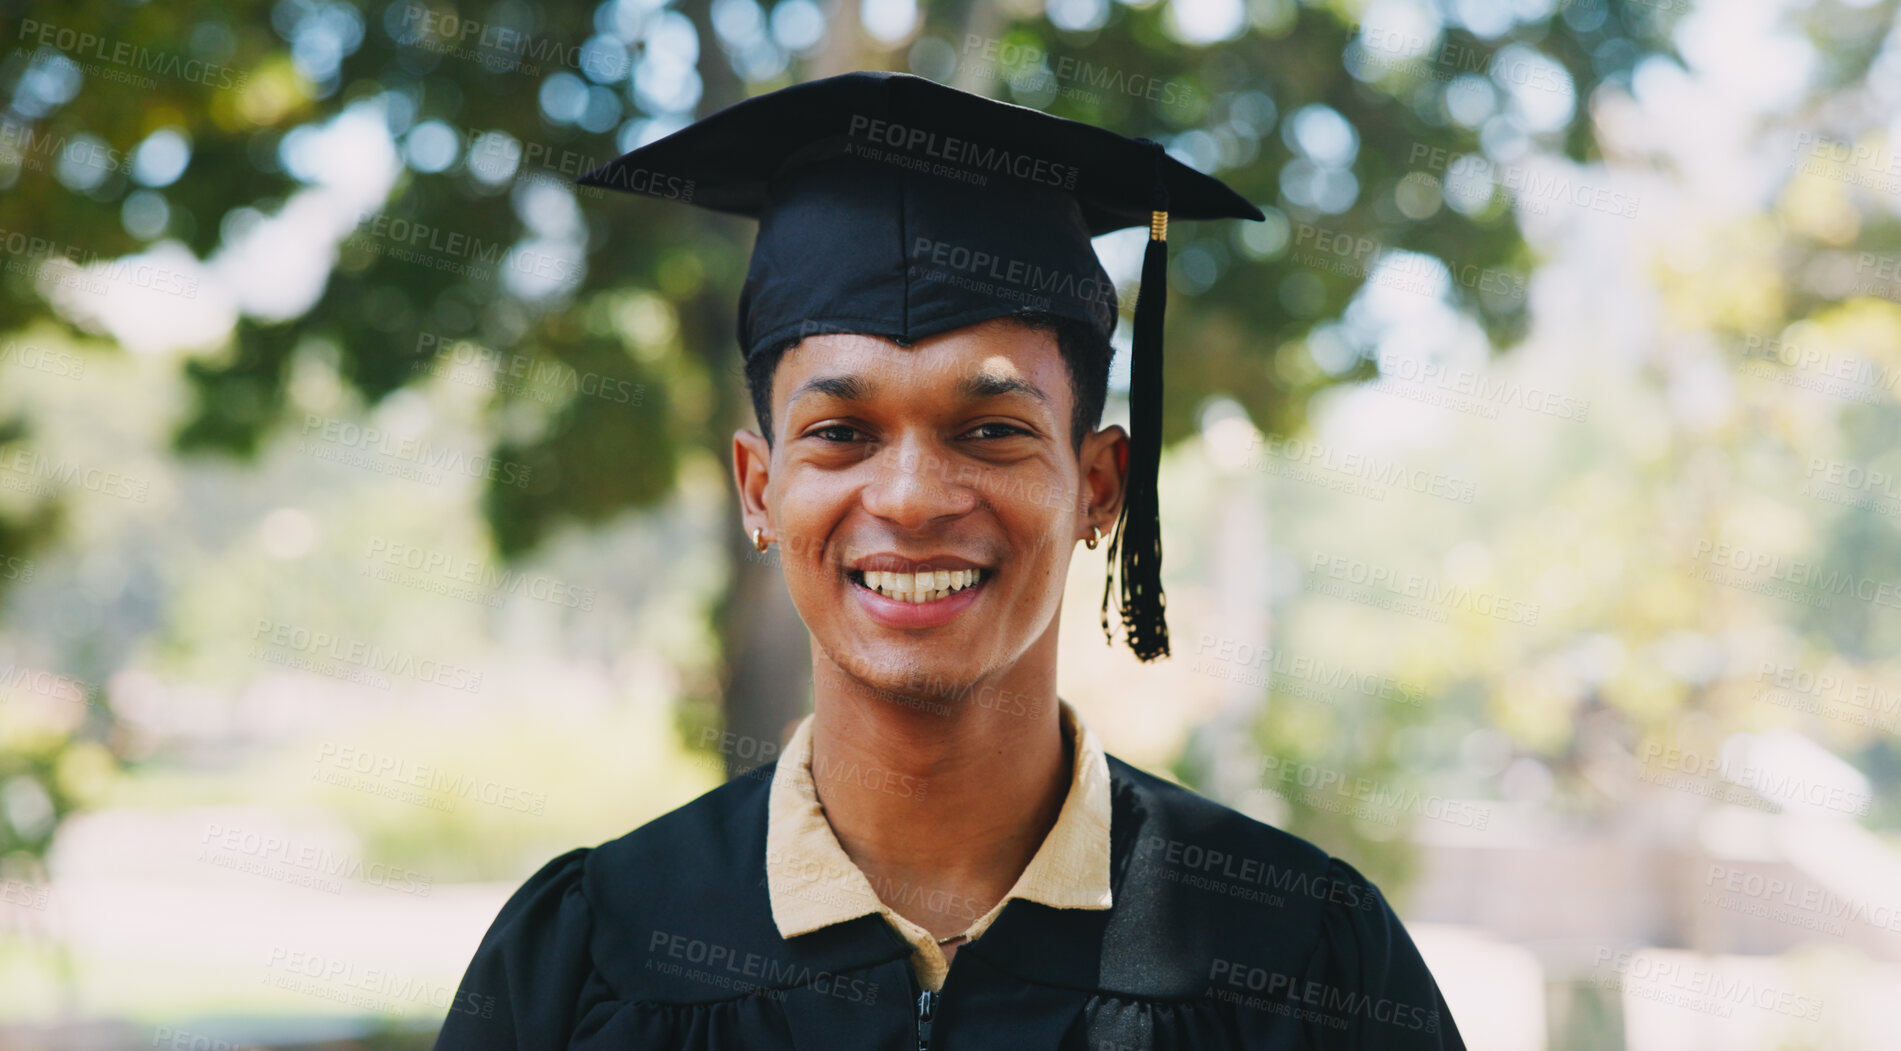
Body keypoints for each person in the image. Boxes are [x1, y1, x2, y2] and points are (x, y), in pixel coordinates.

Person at [433, 71, 1465, 1050]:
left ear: (1098, 485)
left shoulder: (1302, 956)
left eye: (989, 431)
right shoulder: (589, 956)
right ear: (759, 490)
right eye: (840, 431)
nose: (911, 496)